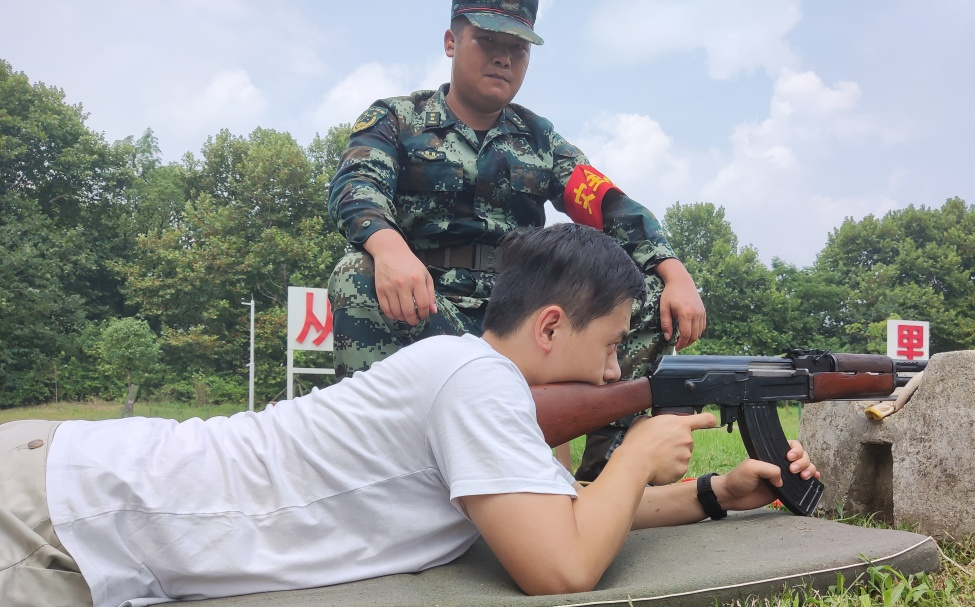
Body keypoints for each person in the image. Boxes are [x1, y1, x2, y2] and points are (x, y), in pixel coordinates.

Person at [0, 224, 819, 606]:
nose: (615, 370)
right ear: (549, 328)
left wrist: (716, 490)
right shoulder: (473, 378)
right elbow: (560, 567)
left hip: (89, 515)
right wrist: (638, 449)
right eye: (609, 346)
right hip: (60, 509)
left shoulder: (467, 376)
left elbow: (561, 515)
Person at [327, 0, 707, 479]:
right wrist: (388, 248)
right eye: (487, 41)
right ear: (451, 42)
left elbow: (606, 203)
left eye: (518, 49)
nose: (504, 58)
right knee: (355, 274)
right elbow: (357, 186)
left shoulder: (538, 139)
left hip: (517, 317)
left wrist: (675, 272)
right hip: (424, 302)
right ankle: (374, 473)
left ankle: (609, 478)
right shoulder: (397, 118)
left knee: (650, 298)